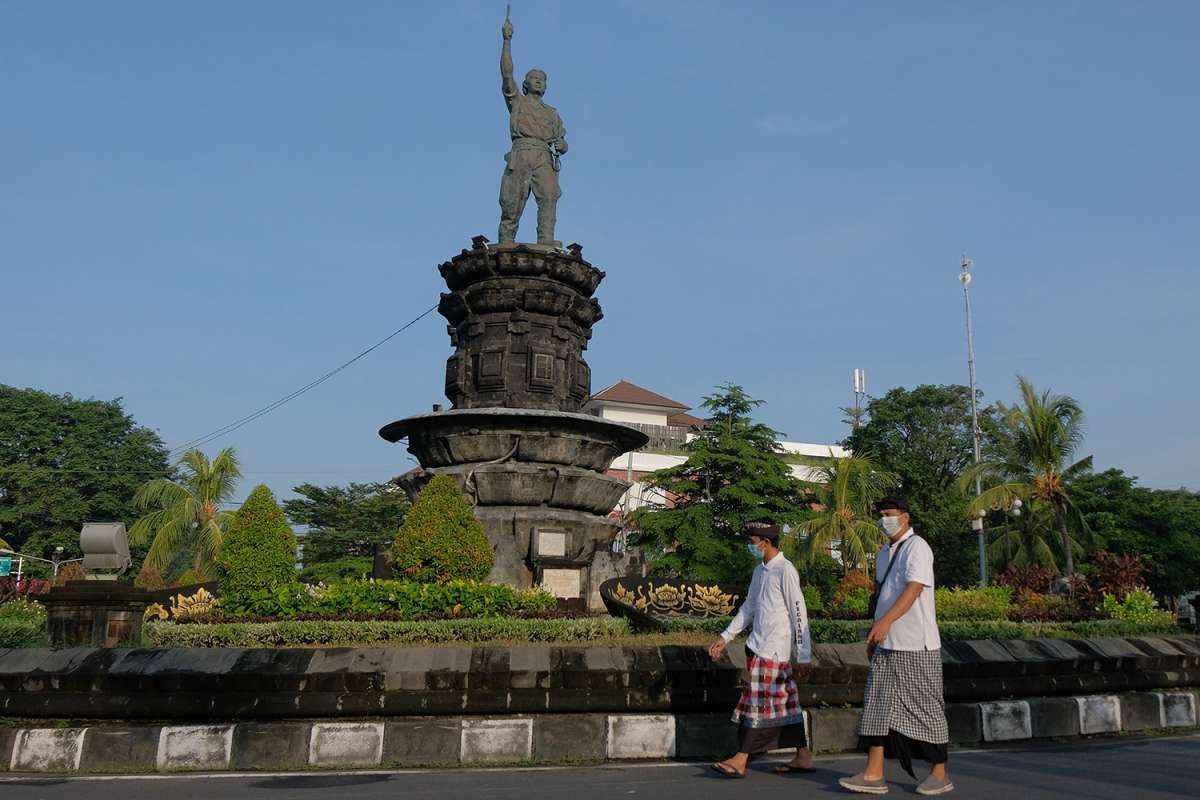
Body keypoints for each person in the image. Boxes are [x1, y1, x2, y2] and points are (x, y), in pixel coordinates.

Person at [839, 498, 953, 796]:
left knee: (927, 709)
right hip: (887, 643)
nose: (884, 520)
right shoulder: (883, 554)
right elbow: (882, 594)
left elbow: (915, 589)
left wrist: (885, 622)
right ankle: (873, 773)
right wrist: (876, 632)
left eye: (888, 515)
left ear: (905, 517)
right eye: (880, 516)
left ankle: (939, 773)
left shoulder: (918, 547)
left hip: (917, 643)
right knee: (877, 707)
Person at [707, 521, 813, 778]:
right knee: (786, 703)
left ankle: (741, 758)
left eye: (753, 542)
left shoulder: (785, 571)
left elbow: (799, 613)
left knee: (758, 705)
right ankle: (803, 755)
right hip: (757, 646)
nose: (750, 546)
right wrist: (726, 636)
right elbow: (749, 607)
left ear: (764, 543)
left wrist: (804, 653)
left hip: (774, 650)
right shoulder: (760, 572)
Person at [498, 13, 567, 247]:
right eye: (533, 78)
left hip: (543, 157)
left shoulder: (552, 113)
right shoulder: (517, 102)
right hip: (522, 153)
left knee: (549, 196)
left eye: (542, 79)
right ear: (526, 84)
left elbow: (562, 141)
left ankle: (545, 239)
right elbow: (507, 74)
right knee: (512, 201)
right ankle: (506, 240)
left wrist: (561, 145)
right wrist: (507, 41)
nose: (538, 81)